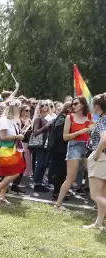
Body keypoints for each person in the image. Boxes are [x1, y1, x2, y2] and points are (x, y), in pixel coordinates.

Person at [54, 96, 92, 209]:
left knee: (94, 175)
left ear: (83, 105)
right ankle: (58, 204)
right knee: (71, 177)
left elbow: (94, 131)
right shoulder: (69, 117)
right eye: (72, 104)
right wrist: (80, 132)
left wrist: (91, 131)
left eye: (76, 104)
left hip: (87, 146)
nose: (73, 106)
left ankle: (99, 204)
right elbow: (65, 137)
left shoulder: (89, 116)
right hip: (74, 146)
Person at [0, 99, 26, 204]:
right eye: (18, 108)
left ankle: (2, 197)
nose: (19, 110)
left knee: (12, 172)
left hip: (13, 147)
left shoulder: (12, 120)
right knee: (14, 172)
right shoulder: (4, 120)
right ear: (13, 108)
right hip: (6, 148)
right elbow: (2, 137)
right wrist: (17, 136)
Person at [85, 93, 106, 230]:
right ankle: (98, 223)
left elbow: (104, 139)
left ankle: (98, 223)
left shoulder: (102, 120)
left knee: (95, 195)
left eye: (93, 104)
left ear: (97, 106)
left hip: (101, 158)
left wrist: (96, 154)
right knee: (102, 194)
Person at [30, 100, 53, 192]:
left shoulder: (49, 117)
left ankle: (40, 183)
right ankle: (37, 184)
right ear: (39, 108)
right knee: (40, 163)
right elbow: (35, 132)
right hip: (40, 144)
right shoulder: (38, 119)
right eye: (42, 105)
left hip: (47, 144)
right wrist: (47, 125)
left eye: (46, 105)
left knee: (44, 164)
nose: (45, 106)